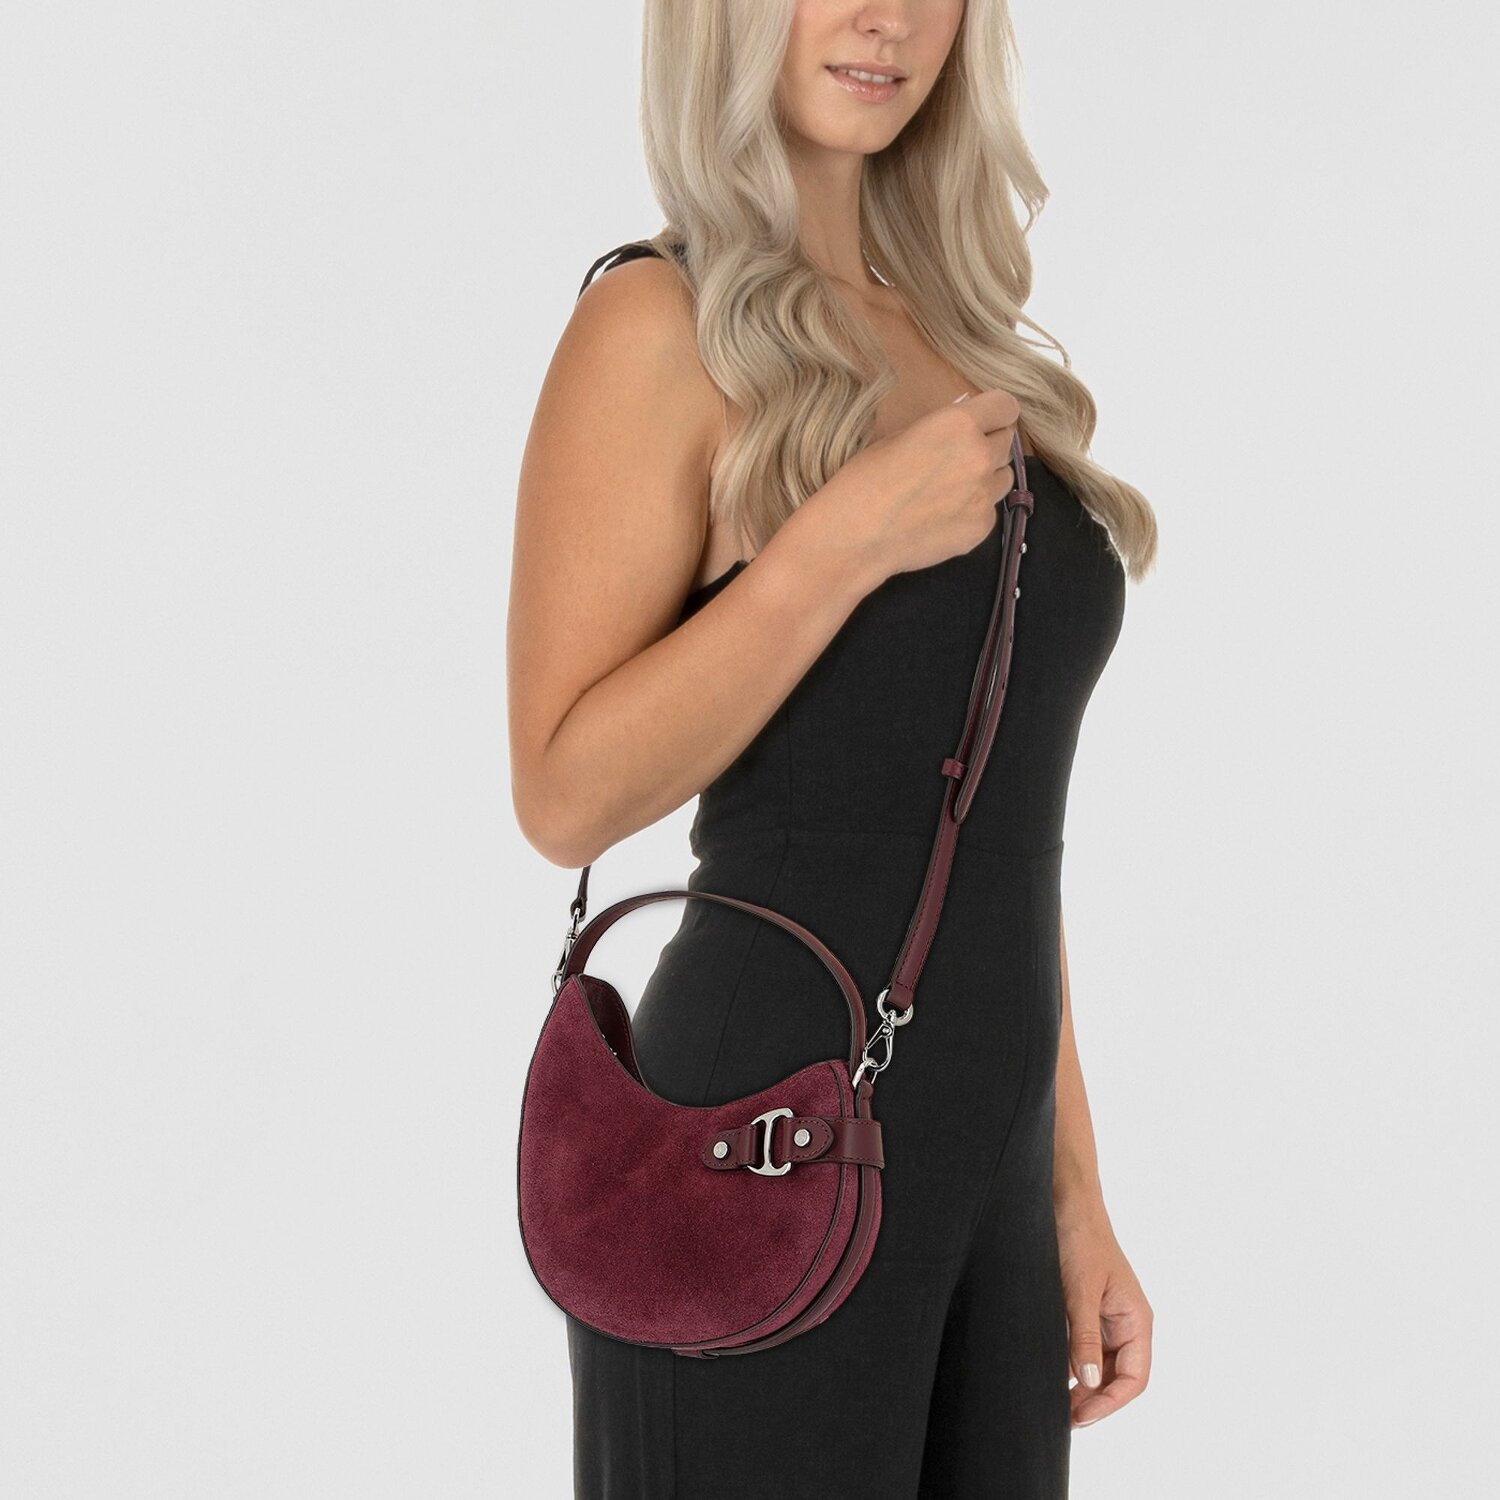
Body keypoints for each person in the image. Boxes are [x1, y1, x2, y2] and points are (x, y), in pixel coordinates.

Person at [508, 2, 1158, 1494]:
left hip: (985, 1169)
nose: (886, 17)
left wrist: (1070, 1193)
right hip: (760, 1145)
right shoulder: (658, 323)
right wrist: (836, 547)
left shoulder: (957, 338)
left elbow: (997, 833)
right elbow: (563, 791)